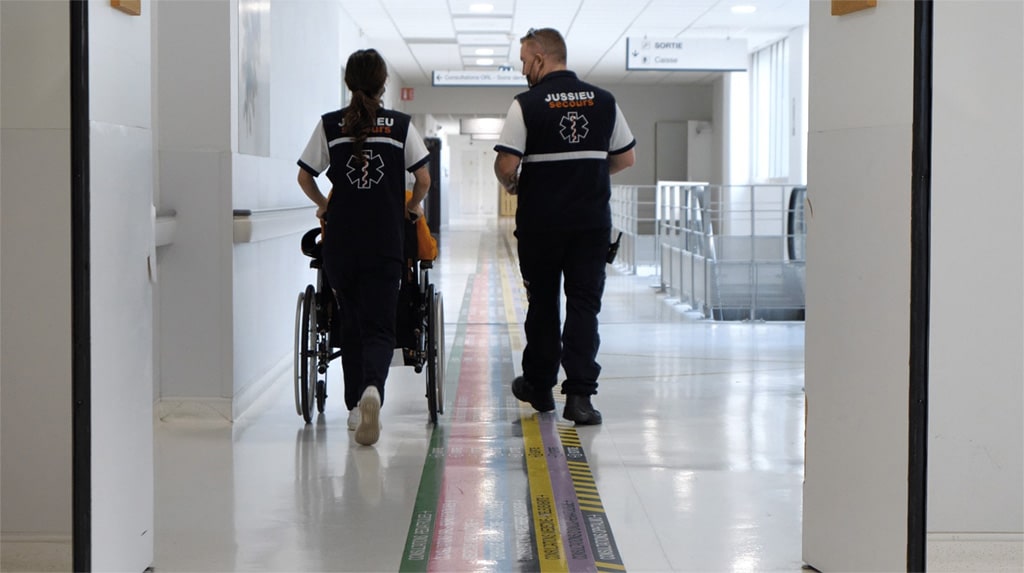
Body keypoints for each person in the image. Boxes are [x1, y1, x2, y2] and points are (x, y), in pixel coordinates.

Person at [494, 28, 636, 426]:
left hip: (540, 225)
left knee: (543, 305)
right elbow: (626, 158)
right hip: (590, 226)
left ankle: (539, 386)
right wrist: (587, 173)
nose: (523, 69)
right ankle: (580, 399)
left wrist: (514, 184)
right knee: (584, 307)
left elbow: (506, 165)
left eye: (524, 61)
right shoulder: (605, 101)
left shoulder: (527, 104)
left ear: (540, 57)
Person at [297, 48, 430, 445]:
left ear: (348, 82)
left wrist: (326, 207)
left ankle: (355, 406)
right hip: (385, 242)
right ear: (383, 83)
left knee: (350, 324)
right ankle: (373, 391)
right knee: (379, 328)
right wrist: (411, 207)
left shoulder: (330, 125)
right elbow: (422, 178)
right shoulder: (400, 125)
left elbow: (305, 177)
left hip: (341, 244)